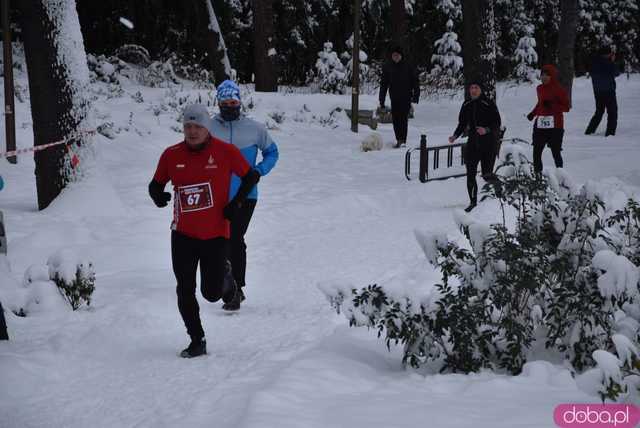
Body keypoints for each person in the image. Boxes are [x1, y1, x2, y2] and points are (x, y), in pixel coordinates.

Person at [148, 104, 260, 358]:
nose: (192, 131)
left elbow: (250, 177)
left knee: (210, 294)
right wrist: (157, 195)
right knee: (184, 287)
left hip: (216, 234)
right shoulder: (171, 155)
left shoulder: (226, 151)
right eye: (188, 126)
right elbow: (155, 184)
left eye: (198, 126)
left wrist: (236, 204)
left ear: (207, 128)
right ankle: (197, 339)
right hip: (183, 234)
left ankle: (228, 283)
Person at [209, 80, 279, 311]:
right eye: (225, 102)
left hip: (246, 194)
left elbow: (272, 152)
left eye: (234, 102)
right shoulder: (208, 128)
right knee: (219, 240)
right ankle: (224, 281)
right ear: (218, 103)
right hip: (215, 195)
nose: (230, 105)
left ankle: (236, 288)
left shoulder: (255, 129)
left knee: (235, 238)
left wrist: (259, 170)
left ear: (239, 102)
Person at [448, 82, 502, 213]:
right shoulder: (466, 104)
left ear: (481, 90)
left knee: (486, 175)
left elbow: (497, 123)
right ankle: (473, 202)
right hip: (473, 143)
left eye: (476, 88)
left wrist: (486, 129)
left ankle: (500, 193)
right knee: (470, 174)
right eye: (471, 88)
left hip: (488, 143)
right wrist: (455, 135)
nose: (473, 90)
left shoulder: (488, 103)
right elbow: (462, 123)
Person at [526, 64, 570, 174]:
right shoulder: (539, 88)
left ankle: (561, 177)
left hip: (555, 126)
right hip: (540, 125)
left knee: (556, 153)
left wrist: (553, 105)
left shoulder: (559, 89)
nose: (544, 77)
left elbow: (566, 107)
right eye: (542, 75)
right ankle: (537, 177)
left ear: (553, 76)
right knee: (536, 152)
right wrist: (533, 113)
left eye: (547, 75)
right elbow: (540, 104)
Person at [379, 45, 420, 148]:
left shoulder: (408, 66)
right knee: (395, 119)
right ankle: (398, 139)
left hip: (406, 97)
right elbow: (384, 84)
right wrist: (382, 100)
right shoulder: (388, 67)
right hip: (394, 97)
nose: (395, 57)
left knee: (403, 119)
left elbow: (415, 81)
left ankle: (402, 140)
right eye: (393, 55)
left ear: (401, 56)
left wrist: (416, 96)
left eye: (397, 55)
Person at [585, 46, 619, 136]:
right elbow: (616, 72)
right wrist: (612, 62)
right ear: (607, 54)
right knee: (612, 112)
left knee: (599, 112)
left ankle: (589, 131)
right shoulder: (608, 63)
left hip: (597, 91)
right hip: (609, 91)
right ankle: (610, 133)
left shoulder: (594, 61)